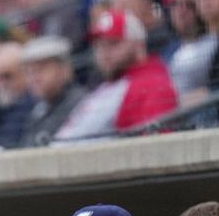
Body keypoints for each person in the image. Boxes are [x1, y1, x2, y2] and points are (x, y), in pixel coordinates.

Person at [55, 11, 178, 140]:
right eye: (99, 45)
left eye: (113, 43)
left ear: (138, 45)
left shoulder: (151, 84)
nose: (103, 52)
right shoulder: (109, 84)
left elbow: (154, 145)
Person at [19, 36, 86, 147]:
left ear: (65, 69)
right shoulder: (38, 110)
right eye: (30, 71)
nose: (35, 77)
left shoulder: (82, 104)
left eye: (41, 68)